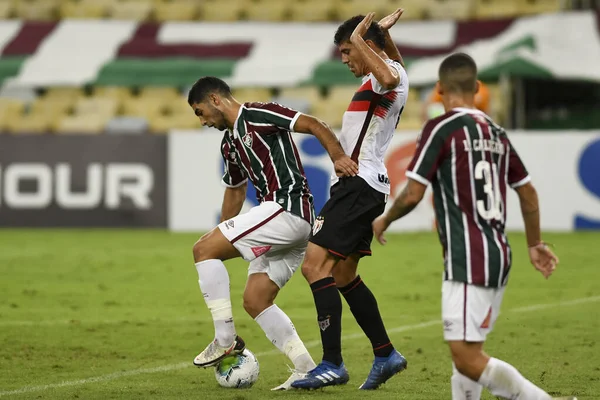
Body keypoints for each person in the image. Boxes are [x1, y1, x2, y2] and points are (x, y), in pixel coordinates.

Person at [372, 53, 576, 400]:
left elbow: (413, 193)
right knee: (466, 350)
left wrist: (385, 218)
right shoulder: (496, 133)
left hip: (469, 258)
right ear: (477, 88)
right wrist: (535, 243)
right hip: (498, 254)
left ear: (439, 90)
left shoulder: (442, 127)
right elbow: (527, 192)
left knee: (467, 358)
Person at [187, 76, 358, 390]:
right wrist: (224, 235)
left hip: (287, 208)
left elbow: (315, 125)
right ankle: (306, 368)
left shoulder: (259, 114)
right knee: (256, 299)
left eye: (200, 112)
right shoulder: (230, 144)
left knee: (201, 249)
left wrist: (338, 158)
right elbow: (235, 191)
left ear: (214, 99)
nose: (202, 121)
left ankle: (225, 339)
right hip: (286, 225)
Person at [291, 9, 409, 390]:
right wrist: (380, 38)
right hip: (369, 186)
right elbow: (395, 67)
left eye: (348, 51)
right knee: (343, 274)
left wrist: (364, 38)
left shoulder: (382, 79)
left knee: (314, 267)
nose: (345, 60)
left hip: (357, 184)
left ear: (366, 46)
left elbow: (389, 73)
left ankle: (332, 363)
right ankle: (386, 353)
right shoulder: (391, 73)